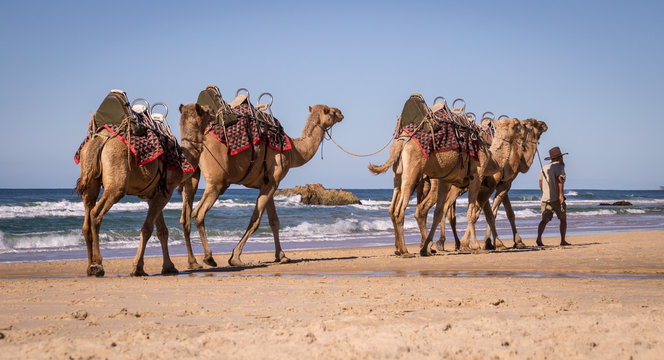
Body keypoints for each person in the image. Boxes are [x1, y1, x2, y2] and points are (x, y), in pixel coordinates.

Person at [536, 146, 570, 246]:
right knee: (563, 219)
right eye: (561, 157)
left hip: (545, 198)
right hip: (556, 198)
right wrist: (561, 195)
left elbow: (540, 183)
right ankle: (563, 240)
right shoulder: (560, 166)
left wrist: (545, 193)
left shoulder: (544, 167)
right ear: (559, 157)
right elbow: (559, 180)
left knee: (544, 220)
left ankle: (539, 239)